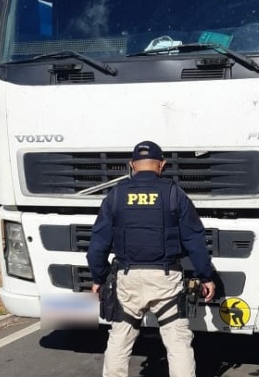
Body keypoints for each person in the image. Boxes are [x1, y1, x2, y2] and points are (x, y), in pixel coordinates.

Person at [87, 140, 216, 377]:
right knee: (177, 342)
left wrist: (99, 278)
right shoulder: (174, 194)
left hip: (128, 279)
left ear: (132, 165)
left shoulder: (116, 196)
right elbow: (194, 239)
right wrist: (205, 276)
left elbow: (97, 244)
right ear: (162, 164)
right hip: (166, 279)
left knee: (119, 339)